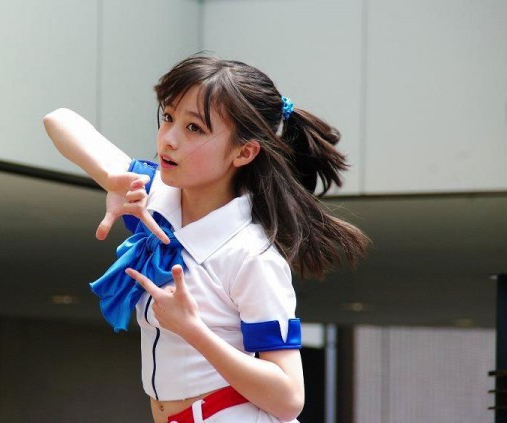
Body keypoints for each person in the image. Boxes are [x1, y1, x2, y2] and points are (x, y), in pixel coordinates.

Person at [44, 54, 369, 423]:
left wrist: (192, 329)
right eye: (168, 117)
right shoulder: (155, 199)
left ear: (244, 152)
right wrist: (111, 178)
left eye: (194, 128)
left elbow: (289, 397)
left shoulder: (250, 254)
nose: (169, 139)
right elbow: (58, 120)